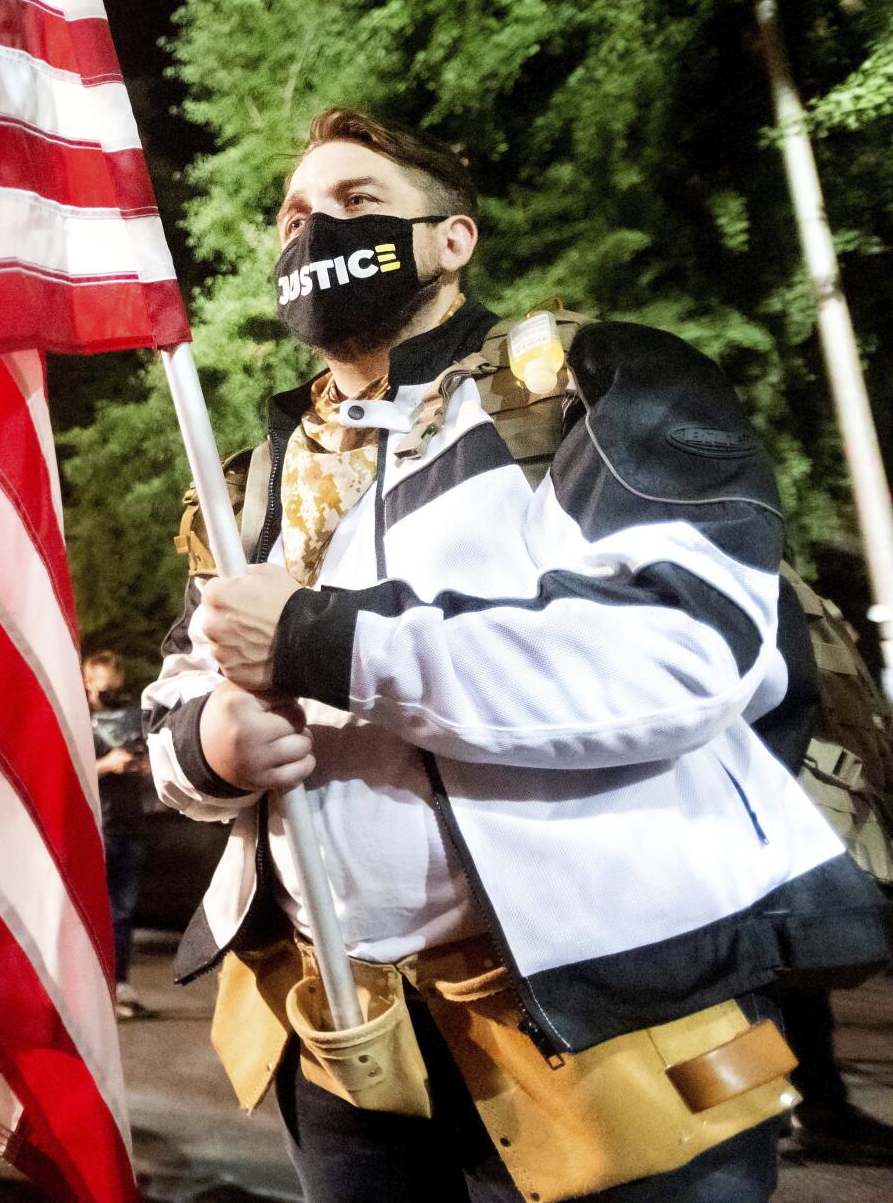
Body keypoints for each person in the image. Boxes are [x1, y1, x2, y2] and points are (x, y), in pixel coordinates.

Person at [144, 107, 890, 1203]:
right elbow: (176, 696)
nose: (315, 233)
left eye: (359, 203)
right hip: (341, 1046)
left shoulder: (594, 382)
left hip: (610, 1033)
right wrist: (206, 747)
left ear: (453, 240)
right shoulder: (255, 474)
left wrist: (317, 638)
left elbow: (677, 651)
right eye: (295, 215)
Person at [84, 650, 152, 1021]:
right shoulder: (80, 719)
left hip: (131, 824)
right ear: (88, 682)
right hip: (97, 827)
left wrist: (141, 767)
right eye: (102, 683)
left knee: (122, 913)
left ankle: (119, 984)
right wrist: (107, 766)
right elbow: (67, 768)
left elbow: (149, 763)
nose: (109, 690)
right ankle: (91, 991)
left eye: (114, 683)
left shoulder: (130, 719)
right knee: (95, 913)